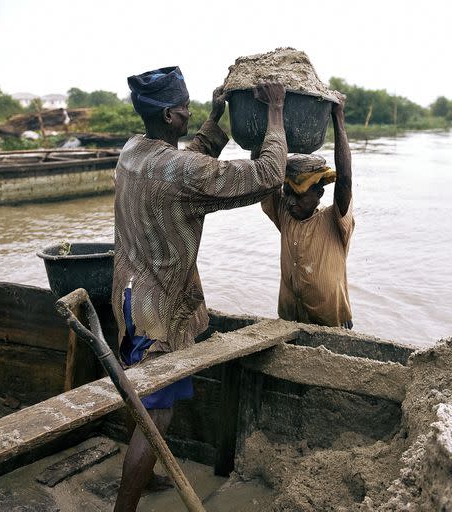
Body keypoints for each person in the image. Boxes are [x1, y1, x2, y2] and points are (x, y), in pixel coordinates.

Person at [111, 66, 287, 512]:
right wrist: (277, 114)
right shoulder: (180, 170)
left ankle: (145, 476)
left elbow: (190, 160)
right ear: (170, 115)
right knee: (156, 413)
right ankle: (124, 506)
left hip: (129, 299)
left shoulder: (133, 152)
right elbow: (268, 174)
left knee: (145, 394)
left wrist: (214, 119)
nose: (190, 114)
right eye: (186, 109)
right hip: (160, 310)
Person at [261, 94, 354, 328]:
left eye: (299, 196)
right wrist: (271, 110)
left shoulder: (333, 219)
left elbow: (345, 180)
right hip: (290, 320)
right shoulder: (284, 214)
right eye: (287, 193)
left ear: (319, 194)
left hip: (331, 323)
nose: (290, 202)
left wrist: (338, 117)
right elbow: (262, 173)